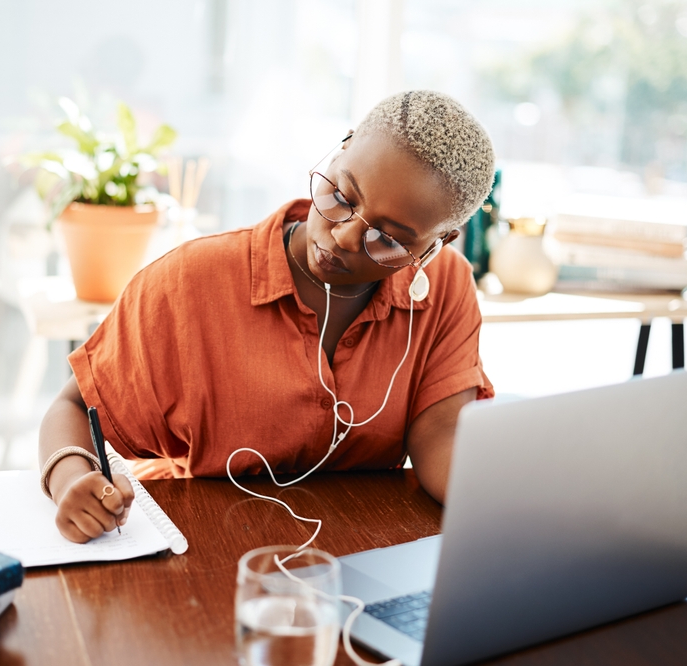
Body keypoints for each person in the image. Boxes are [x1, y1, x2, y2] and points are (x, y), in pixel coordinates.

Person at [38, 90, 497, 544]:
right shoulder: (191, 280)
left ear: (440, 242)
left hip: (355, 552)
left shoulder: (446, 287)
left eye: (389, 240)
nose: (342, 237)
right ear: (343, 145)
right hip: (200, 544)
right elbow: (74, 407)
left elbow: (441, 433)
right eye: (340, 196)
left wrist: (514, 504)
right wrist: (70, 480)